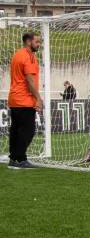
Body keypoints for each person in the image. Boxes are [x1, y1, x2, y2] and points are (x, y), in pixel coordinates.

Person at [7, 33, 43, 169]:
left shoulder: (17, 54)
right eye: (37, 42)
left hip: (15, 99)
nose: (38, 44)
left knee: (16, 130)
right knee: (28, 131)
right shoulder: (27, 57)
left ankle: (13, 159)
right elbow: (29, 80)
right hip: (24, 100)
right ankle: (21, 159)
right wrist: (38, 99)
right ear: (28, 42)